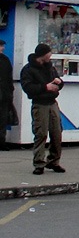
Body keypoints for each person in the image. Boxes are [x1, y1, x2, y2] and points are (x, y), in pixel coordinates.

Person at [20, 43, 64, 174]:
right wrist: (45, 87)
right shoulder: (28, 70)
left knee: (57, 133)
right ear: (43, 55)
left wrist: (59, 83)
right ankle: (39, 163)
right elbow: (28, 88)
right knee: (41, 133)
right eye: (49, 53)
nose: (50, 56)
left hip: (52, 103)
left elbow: (59, 83)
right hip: (40, 104)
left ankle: (54, 161)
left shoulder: (50, 68)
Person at [0, 39, 16, 151]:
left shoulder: (5, 60)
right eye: (1, 46)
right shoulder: (5, 60)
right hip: (5, 93)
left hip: (4, 94)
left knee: (3, 119)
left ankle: (2, 142)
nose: (3, 48)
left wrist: (10, 91)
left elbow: (8, 78)